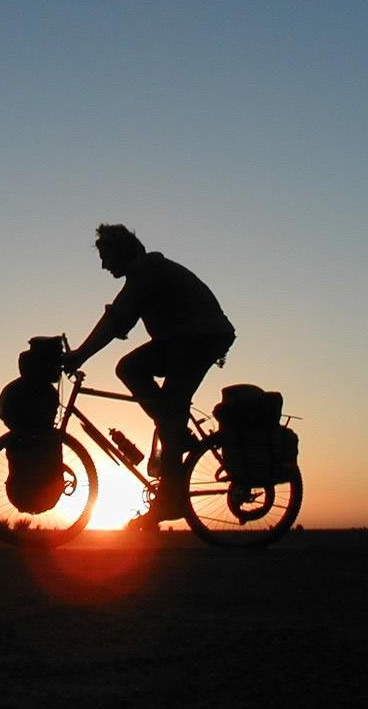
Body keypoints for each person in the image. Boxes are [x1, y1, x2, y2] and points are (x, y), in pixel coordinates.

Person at [62, 224, 235, 526]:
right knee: (165, 409)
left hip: (196, 339)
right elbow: (118, 319)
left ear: (122, 250)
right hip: (187, 340)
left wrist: (79, 354)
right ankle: (174, 436)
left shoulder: (147, 271)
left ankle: (171, 496)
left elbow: (115, 320)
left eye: (106, 256)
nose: (104, 265)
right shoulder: (147, 270)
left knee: (143, 384)